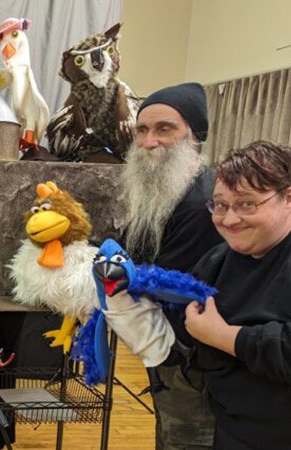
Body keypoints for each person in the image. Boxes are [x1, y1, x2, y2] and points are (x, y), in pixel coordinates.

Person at [122, 82, 224, 449]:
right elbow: (128, 251)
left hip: (194, 365)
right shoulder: (165, 192)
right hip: (172, 357)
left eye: (164, 129)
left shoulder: (203, 204)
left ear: (195, 136)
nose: (149, 142)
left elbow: (156, 279)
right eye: (142, 130)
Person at [183, 141, 291, 449]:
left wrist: (225, 337)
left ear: (288, 199)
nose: (229, 220)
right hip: (232, 426)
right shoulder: (219, 259)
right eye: (220, 205)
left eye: (247, 204)